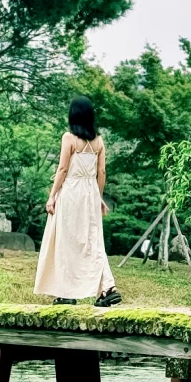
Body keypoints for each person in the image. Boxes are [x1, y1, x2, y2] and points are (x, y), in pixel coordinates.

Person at [34, 96, 121, 307]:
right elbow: (101, 171)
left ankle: (67, 292)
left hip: (71, 192)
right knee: (92, 241)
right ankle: (107, 287)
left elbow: (62, 169)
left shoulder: (69, 138)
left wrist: (52, 195)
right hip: (90, 192)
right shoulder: (99, 141)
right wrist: (98, 197)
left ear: (73, 115)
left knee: (67, 241)